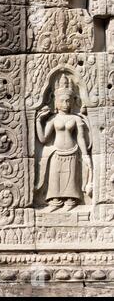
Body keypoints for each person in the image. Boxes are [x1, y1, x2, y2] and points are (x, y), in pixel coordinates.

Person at [36, 75, 93, 212]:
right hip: (56, 152)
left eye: (68, 101)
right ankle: (55, 201)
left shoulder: (75, 118)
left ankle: (71, 200)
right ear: (56, 102)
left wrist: (85, 155)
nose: (66, 104)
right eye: (63, 101)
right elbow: (43, 139)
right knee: (56, 177)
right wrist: (38, 121)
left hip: (73, 152)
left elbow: (80, 138)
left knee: (70, 179)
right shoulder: (54, 119)